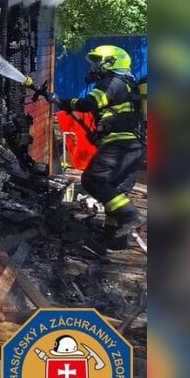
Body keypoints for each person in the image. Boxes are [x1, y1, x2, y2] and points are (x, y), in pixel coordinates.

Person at [51, 44, 145, 247]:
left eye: (98, 62)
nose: (94, 67)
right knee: (117, 191)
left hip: (121, 144)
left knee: (94, 180)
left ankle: (130, 216)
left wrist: (63, 101)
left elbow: (90, 104)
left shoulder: (112, 81)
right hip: (134, 147)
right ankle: (113, 241)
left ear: (111, 62)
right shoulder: (127, 83)